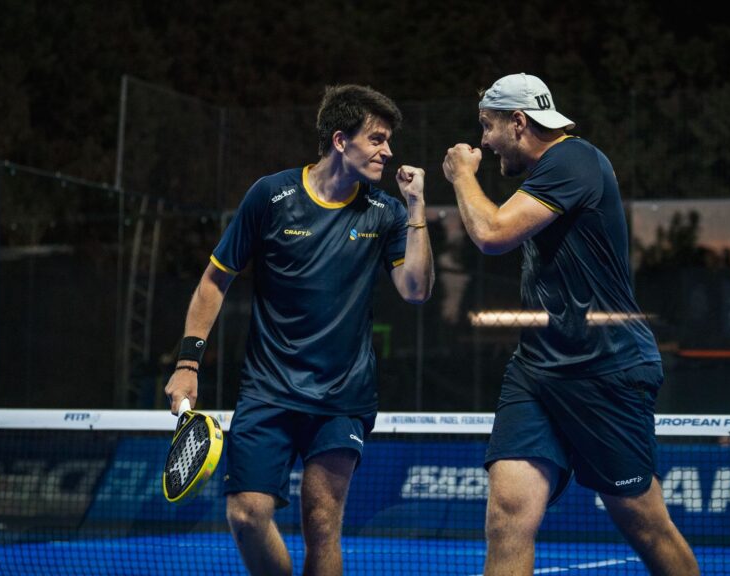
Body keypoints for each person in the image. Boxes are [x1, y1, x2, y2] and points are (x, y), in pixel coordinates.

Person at [165, 84, 434, 576]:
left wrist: (417, 209)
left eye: (388, 140)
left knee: (322, 521)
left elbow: (416, 289)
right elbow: (214, 280)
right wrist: (187, 362)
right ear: (339, 140)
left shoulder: (387, 212)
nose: (388, 151)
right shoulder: (271, 196)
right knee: (246, 514)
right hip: (268, 391)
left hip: (342, 397)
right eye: (376, 139)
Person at [442, 73, 699, 576]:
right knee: (507, 516)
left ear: (518, 122)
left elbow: (493, 233)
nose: (482, 141)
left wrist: (460, 176)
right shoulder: (546, 178)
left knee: (644, 524)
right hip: (536, 371)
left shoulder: (573, 159)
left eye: (487, 126)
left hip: (606, 370)